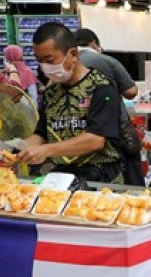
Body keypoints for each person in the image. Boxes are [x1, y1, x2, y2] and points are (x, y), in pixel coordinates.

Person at [14, 22, 125, 184]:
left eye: (50, 60)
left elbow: (96, 139)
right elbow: (42, 134)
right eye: (40, 61)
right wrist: (20, 147)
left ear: (72, 54)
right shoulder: (51, 93)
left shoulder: (101, 88)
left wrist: (46, 150)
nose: (45, 67)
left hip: (100, 181)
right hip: (61, 178)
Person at [74, 28, 143, 186]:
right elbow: (131, 92)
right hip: (116, 131)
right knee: (130, 178)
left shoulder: (67, 65)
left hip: (79, 135)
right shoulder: (106, 61)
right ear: (93, 43)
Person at [73, 28, 138, 100]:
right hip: (108, 106)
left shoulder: (69, 61)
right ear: (93, 43)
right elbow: (131, 92)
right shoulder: (108, 61)